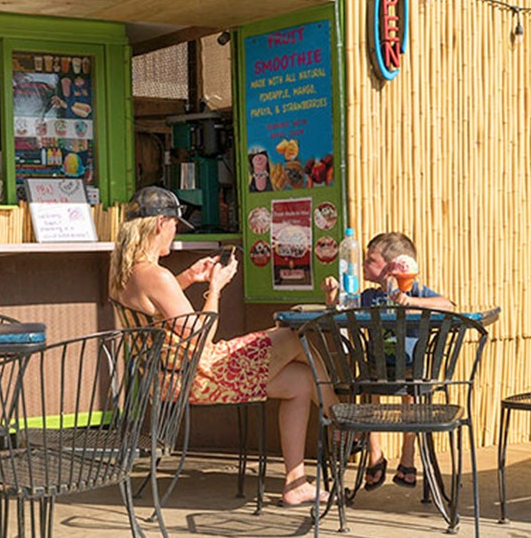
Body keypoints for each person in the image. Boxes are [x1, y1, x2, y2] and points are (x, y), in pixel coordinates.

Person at [109, 185, 340, 507]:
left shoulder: (125, 272)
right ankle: (342, 424)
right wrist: (216, 288)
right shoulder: (155, 275)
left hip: (165, 377)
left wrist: (189, 277)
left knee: (301, 381)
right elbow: (201, 335)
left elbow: (155, 310)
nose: (175, 233)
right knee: (292, 336)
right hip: (198, 376)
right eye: (175, 225)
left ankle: (296, 482)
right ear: (160, 223)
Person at [321, 232, 453, 490]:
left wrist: (410, 301)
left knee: (409, 393)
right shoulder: (370, 296)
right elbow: (340, 310)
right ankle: (375, 455)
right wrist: (331, 294)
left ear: (392, 266)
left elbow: (447, 305)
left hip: (410, 372)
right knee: (370, 387)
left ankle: (407, 457)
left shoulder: (413, 289)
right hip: (374, 371)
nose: (364, 263)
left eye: (371, 259)